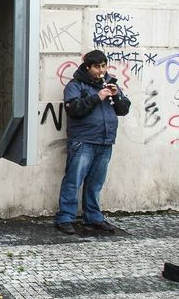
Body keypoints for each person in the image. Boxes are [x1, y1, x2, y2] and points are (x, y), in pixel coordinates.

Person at [55, 50, 131, 235]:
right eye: (97, 67)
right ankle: (65, 217)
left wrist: (117, 96)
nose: (101, 70)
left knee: (96, 182)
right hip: (83, 140)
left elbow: (123, 110)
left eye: (104, 66)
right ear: (88, 67)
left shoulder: (111, 84)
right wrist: (97, 97)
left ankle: (93, 217)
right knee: (74, 180)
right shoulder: (75, 85)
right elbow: (74, 109)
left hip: (105, 141)